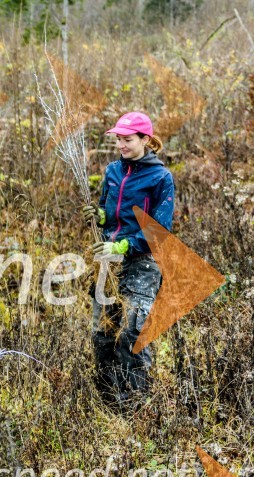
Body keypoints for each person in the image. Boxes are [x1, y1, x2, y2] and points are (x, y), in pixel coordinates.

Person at [83, 111, 174, 406]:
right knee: (103, 336)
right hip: (108, 262)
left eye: (127, 140)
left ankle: (135, 405)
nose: (121, 145)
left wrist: (123, 247)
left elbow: (159, 233)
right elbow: (106, 210)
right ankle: (109, 403)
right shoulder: (112, 171)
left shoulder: (160, 177)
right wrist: (98, 216)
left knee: (133, 332)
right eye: (118, 139)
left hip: (143, 262)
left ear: (145, 140)